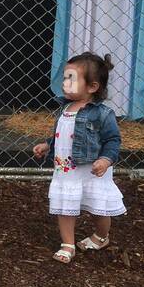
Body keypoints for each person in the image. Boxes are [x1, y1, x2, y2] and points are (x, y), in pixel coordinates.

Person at [33, 52, 126, 263]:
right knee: (65, 205)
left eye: (71, 79)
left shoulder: (101, 114)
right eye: (65, 78)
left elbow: (113, 140)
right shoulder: (64, 109)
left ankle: (101, 236)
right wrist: (48, 146)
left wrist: (105, 160)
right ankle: (67, 244)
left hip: (92, 171)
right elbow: (62, 135)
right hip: (66, 172)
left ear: (92, 87)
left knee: (98, 207)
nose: (65, 82)